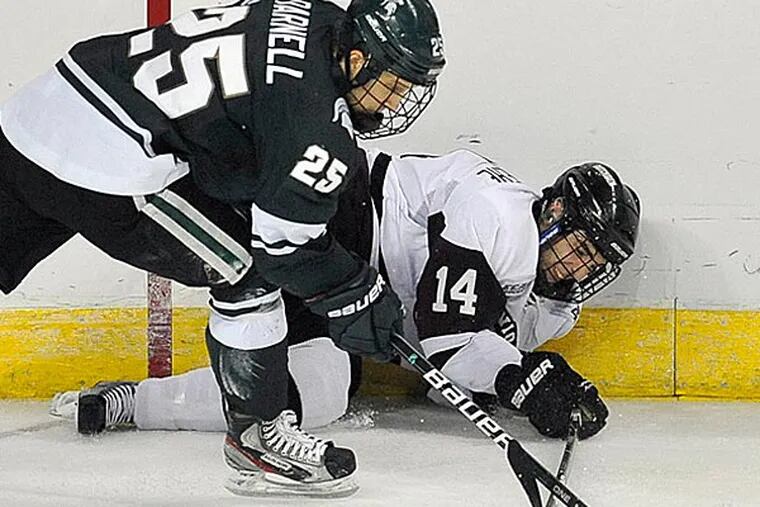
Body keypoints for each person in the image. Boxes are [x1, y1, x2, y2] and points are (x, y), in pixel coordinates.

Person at [0, 0, 445, 498]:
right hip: (110, 155)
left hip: (41, 108)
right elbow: (281, 248)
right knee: (246, 273)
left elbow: (241, 115)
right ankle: (259, 443)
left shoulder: (315, 16)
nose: (394, 103)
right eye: (393, 85)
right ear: (357, 59)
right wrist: (357, 292)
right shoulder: (317, 124)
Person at [54, 147, 640, 447]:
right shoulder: (500, 218)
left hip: (364, 293)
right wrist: (520, 378)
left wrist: (527, 382)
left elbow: (447, 379)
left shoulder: (553, 309)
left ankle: (132, 403)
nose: (580, 267)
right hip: (344, 221)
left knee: (323, 393)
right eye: (580, 246)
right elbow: (448, 343)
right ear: (552, 210)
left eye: (597, 262)